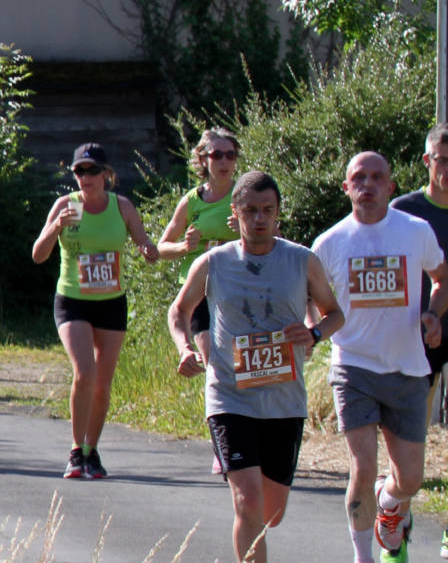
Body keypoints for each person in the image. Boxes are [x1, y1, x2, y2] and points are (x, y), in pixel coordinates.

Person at [169, 171, 344, 563]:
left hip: (284, 401)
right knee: (248, 503)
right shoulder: (213, 262)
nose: (259, 219)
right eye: (250, 211)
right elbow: (179, 310)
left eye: (267, 210)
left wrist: (314, 334)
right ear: (236, 212)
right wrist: (184, 348)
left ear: (278, 213)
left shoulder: (302, 260)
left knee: (270, 514)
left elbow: (335, 314)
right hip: (230, 397)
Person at [310, 152, 448, 563]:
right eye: (359, 177)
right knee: (362, 465)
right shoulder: (329, 243)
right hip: (353, 368)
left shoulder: (415, 231)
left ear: (390, 187)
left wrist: (433, 314)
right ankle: (363, 556)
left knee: (410, 479)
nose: (367, 184)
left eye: (376, 178)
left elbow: (441, 277)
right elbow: (314, 301)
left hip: (408, 367)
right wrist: (312, 331)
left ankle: (387, 504)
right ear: (346, 187)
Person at [30, 144, 159, 479]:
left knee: (103, 382)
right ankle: (75, 449)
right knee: (84, 372)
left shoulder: (123, 206)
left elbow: (146, 245)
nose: (84, 178)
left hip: (111, 302)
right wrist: (56, 226)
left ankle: (92, 451)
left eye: (91, 171)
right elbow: (38, 255)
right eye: (79, 172)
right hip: (72, 300)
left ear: (106, 174)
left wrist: (147, 249)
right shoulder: (65, 206)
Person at [387, 124, 448, 558]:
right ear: (427, 161)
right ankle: (397, 529)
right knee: (410, 443)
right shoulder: (404, 212)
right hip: (417, 338)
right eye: (442, 160)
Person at [159, 128, 243, 360]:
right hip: (199, 287)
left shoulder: (245, 195)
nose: (224, 161)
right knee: (211, 359)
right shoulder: (192, 200)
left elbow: (276, 237)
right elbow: (162, 247)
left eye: (230, 155)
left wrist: (245, 231)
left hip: (237, 284)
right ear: (204, 160)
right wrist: (185, 247)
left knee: (239, 358)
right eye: (217, 155)